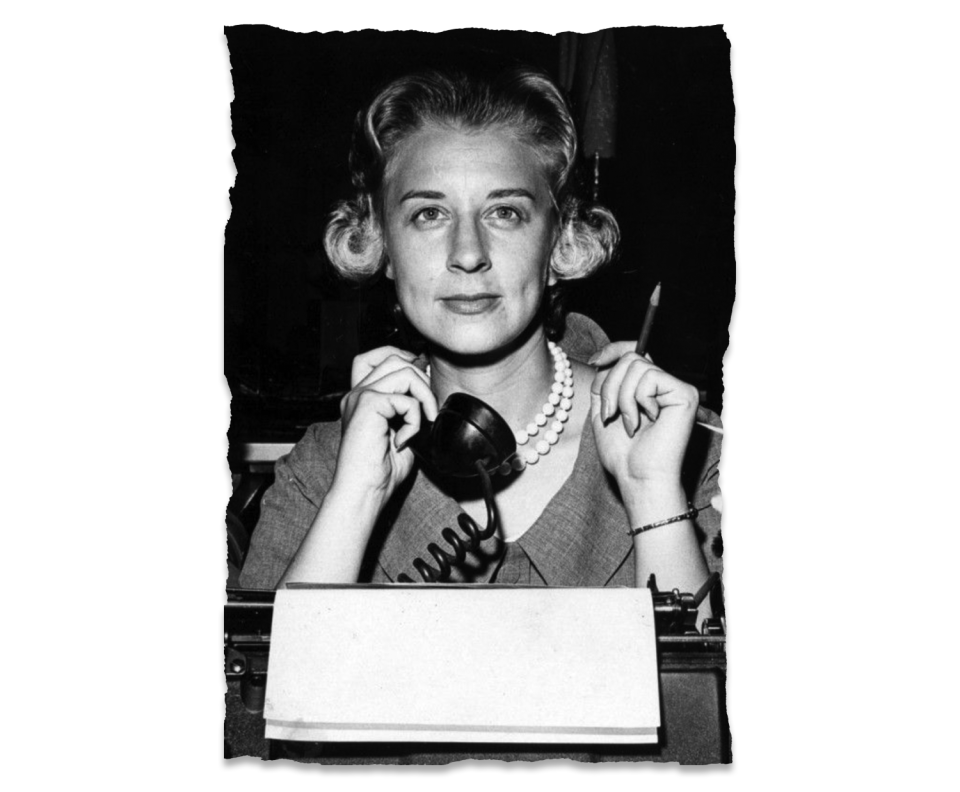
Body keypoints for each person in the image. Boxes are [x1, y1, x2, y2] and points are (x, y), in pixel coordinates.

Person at [238, 64, 723, 619]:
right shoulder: (323, 468)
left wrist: (652, 491)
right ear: (379, 244)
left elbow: (699, 707)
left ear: (561, 241)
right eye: (428, 214)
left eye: (505, 212)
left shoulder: (685, 445)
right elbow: (258, 703)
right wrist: (357, 497)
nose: (468, 253)